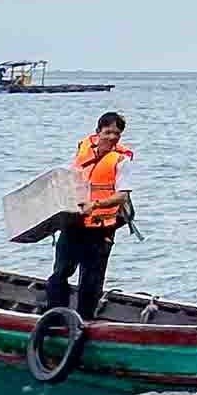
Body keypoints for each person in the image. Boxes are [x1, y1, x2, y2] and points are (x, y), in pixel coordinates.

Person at [44, 112, 132, 319]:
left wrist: (96, 204)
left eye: (116, 133)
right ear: (98, 131)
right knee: (60, 272)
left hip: (102, 227)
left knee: (91, 280)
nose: (112, 137)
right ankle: (55, 315)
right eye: (108, 132)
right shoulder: (83, 150)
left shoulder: (122, 161)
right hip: (74, 222)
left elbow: (122, 197)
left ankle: (85, 320)